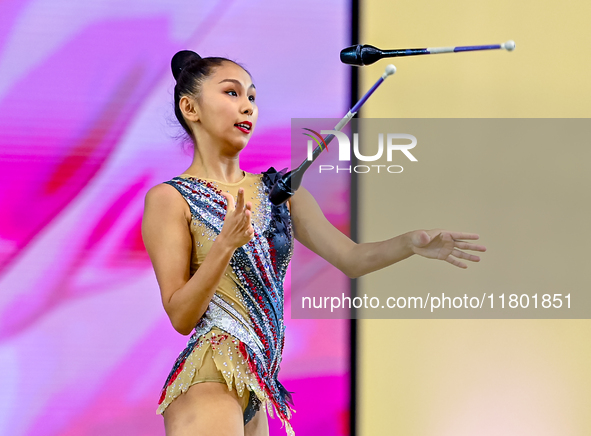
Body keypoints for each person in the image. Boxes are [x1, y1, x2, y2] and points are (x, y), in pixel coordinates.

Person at [141, 50, 487, 436]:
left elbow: (352, 259)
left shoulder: (280, 192)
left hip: (258, 382)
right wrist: (224, 246)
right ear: (190, 107)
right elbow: (180, 316)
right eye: (232, 93)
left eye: (252, 97)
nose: (247, 107)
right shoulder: (171, 199)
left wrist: (411, 243)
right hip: (209, 380)